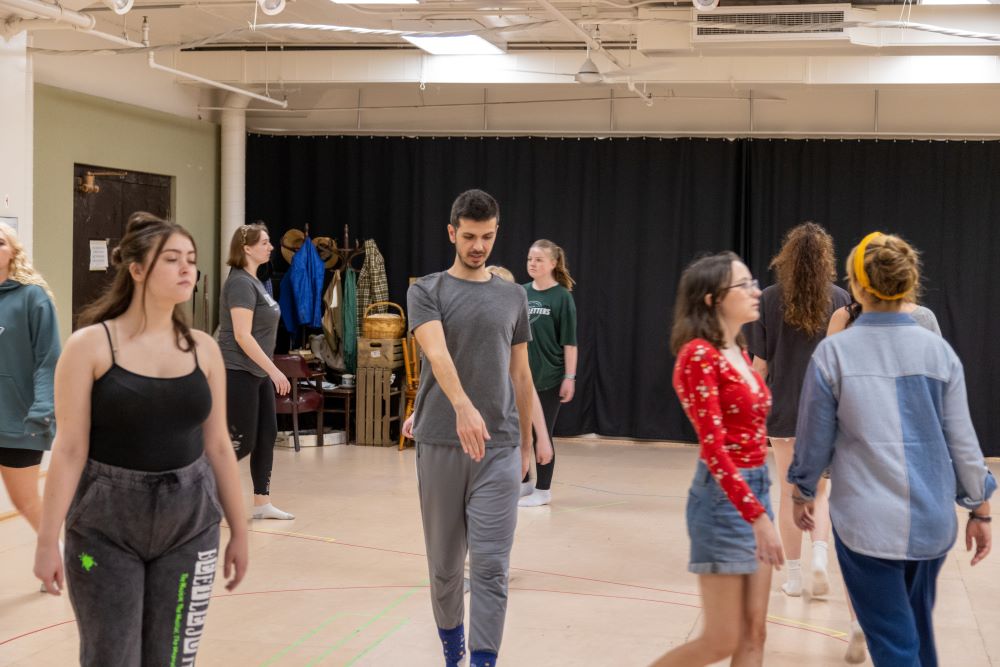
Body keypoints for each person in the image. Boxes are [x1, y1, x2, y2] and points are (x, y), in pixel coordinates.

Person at [33, 212, 248, 667]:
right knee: (111, 658)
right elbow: (70, 450)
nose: (187, 269)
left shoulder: (204, 350)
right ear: (136, 270)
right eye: (172, 259)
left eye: (190, 259)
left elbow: (219, 448)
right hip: (103, 531)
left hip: (190, 527)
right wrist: (47, 539)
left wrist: (240, 533)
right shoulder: (89, 346)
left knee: (172, 660)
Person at [789, 232, 994, 667]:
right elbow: (963, 441)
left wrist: (802, 491)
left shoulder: (833, 355)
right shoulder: (941, 355)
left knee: (896, 646)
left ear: (857, 287)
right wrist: (980, 508)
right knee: (915, 633)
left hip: (866, 525)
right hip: (931, 523)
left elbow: (813, 440)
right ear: (910, 283)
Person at [407, 190, 535, 667]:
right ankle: (452, 650)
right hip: (441, 441)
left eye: (486, 237)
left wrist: (526, 442)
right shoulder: (427, 290)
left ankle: (483, 661)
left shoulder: (513, 295)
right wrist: (462, 405)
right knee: (444, 568)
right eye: (469, 237)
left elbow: (521, 374)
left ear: (496, 232)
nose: (478, 245)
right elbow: (436, 354)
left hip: (498, 448)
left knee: (492, 568)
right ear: (452, 234)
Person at [651, 252, 784, 667]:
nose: (755, 291)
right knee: (722, 639)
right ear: (712, 299)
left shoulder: (738, 351)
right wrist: (759, 518)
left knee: (754, 634)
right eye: (743, 285)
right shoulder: (698, 356)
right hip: (725, 501)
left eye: (752, 282)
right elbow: (714, 448)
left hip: (756, 487)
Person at [825, 254, 943, 665]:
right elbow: (939, 398)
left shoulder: (843, 318)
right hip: (914, 466)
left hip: (857, 461)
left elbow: (828, 395)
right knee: (910, 578)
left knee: (859, 549)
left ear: (857, 283)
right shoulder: (924, 319)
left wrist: (812, 472)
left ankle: (861, 622)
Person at [744, 222, 851, 599]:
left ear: (786, 257)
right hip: (823, 413)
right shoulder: (840, 299)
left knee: (790, 492)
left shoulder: (770, 299)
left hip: (784, 408)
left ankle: (792, 577)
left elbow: (760, 366)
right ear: (826, 259)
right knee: (820, 492)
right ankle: (819, 558)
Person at [218, 222, 293, 520]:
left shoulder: (256, 282)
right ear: (246, 248)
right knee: (241, 440)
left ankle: (262, 503)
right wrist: (275, 370)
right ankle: (197, 492)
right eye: (264, 242)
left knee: (266, 434)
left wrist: (267, 370)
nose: (271, 247)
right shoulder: (239, 283)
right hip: (237, 370)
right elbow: (241, 335)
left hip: (256, 371)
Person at [0, 222, 60, 587]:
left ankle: (62, 554)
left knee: (26, 502)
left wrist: (42, 409)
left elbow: (48, 360)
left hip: (20, 419)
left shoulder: (33, 298)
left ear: (13, 250)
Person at [519, 240, 578, 508]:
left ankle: (543, 490)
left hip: (549, 378)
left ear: (553, 264)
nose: (532, 263)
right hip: (521, 379)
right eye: (530, 258)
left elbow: (570, 342)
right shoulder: (520, 292)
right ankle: (523, 483)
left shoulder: (562, 297)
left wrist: (570, 377)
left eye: (539, 259)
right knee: (521, 431)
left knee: (542, 432)